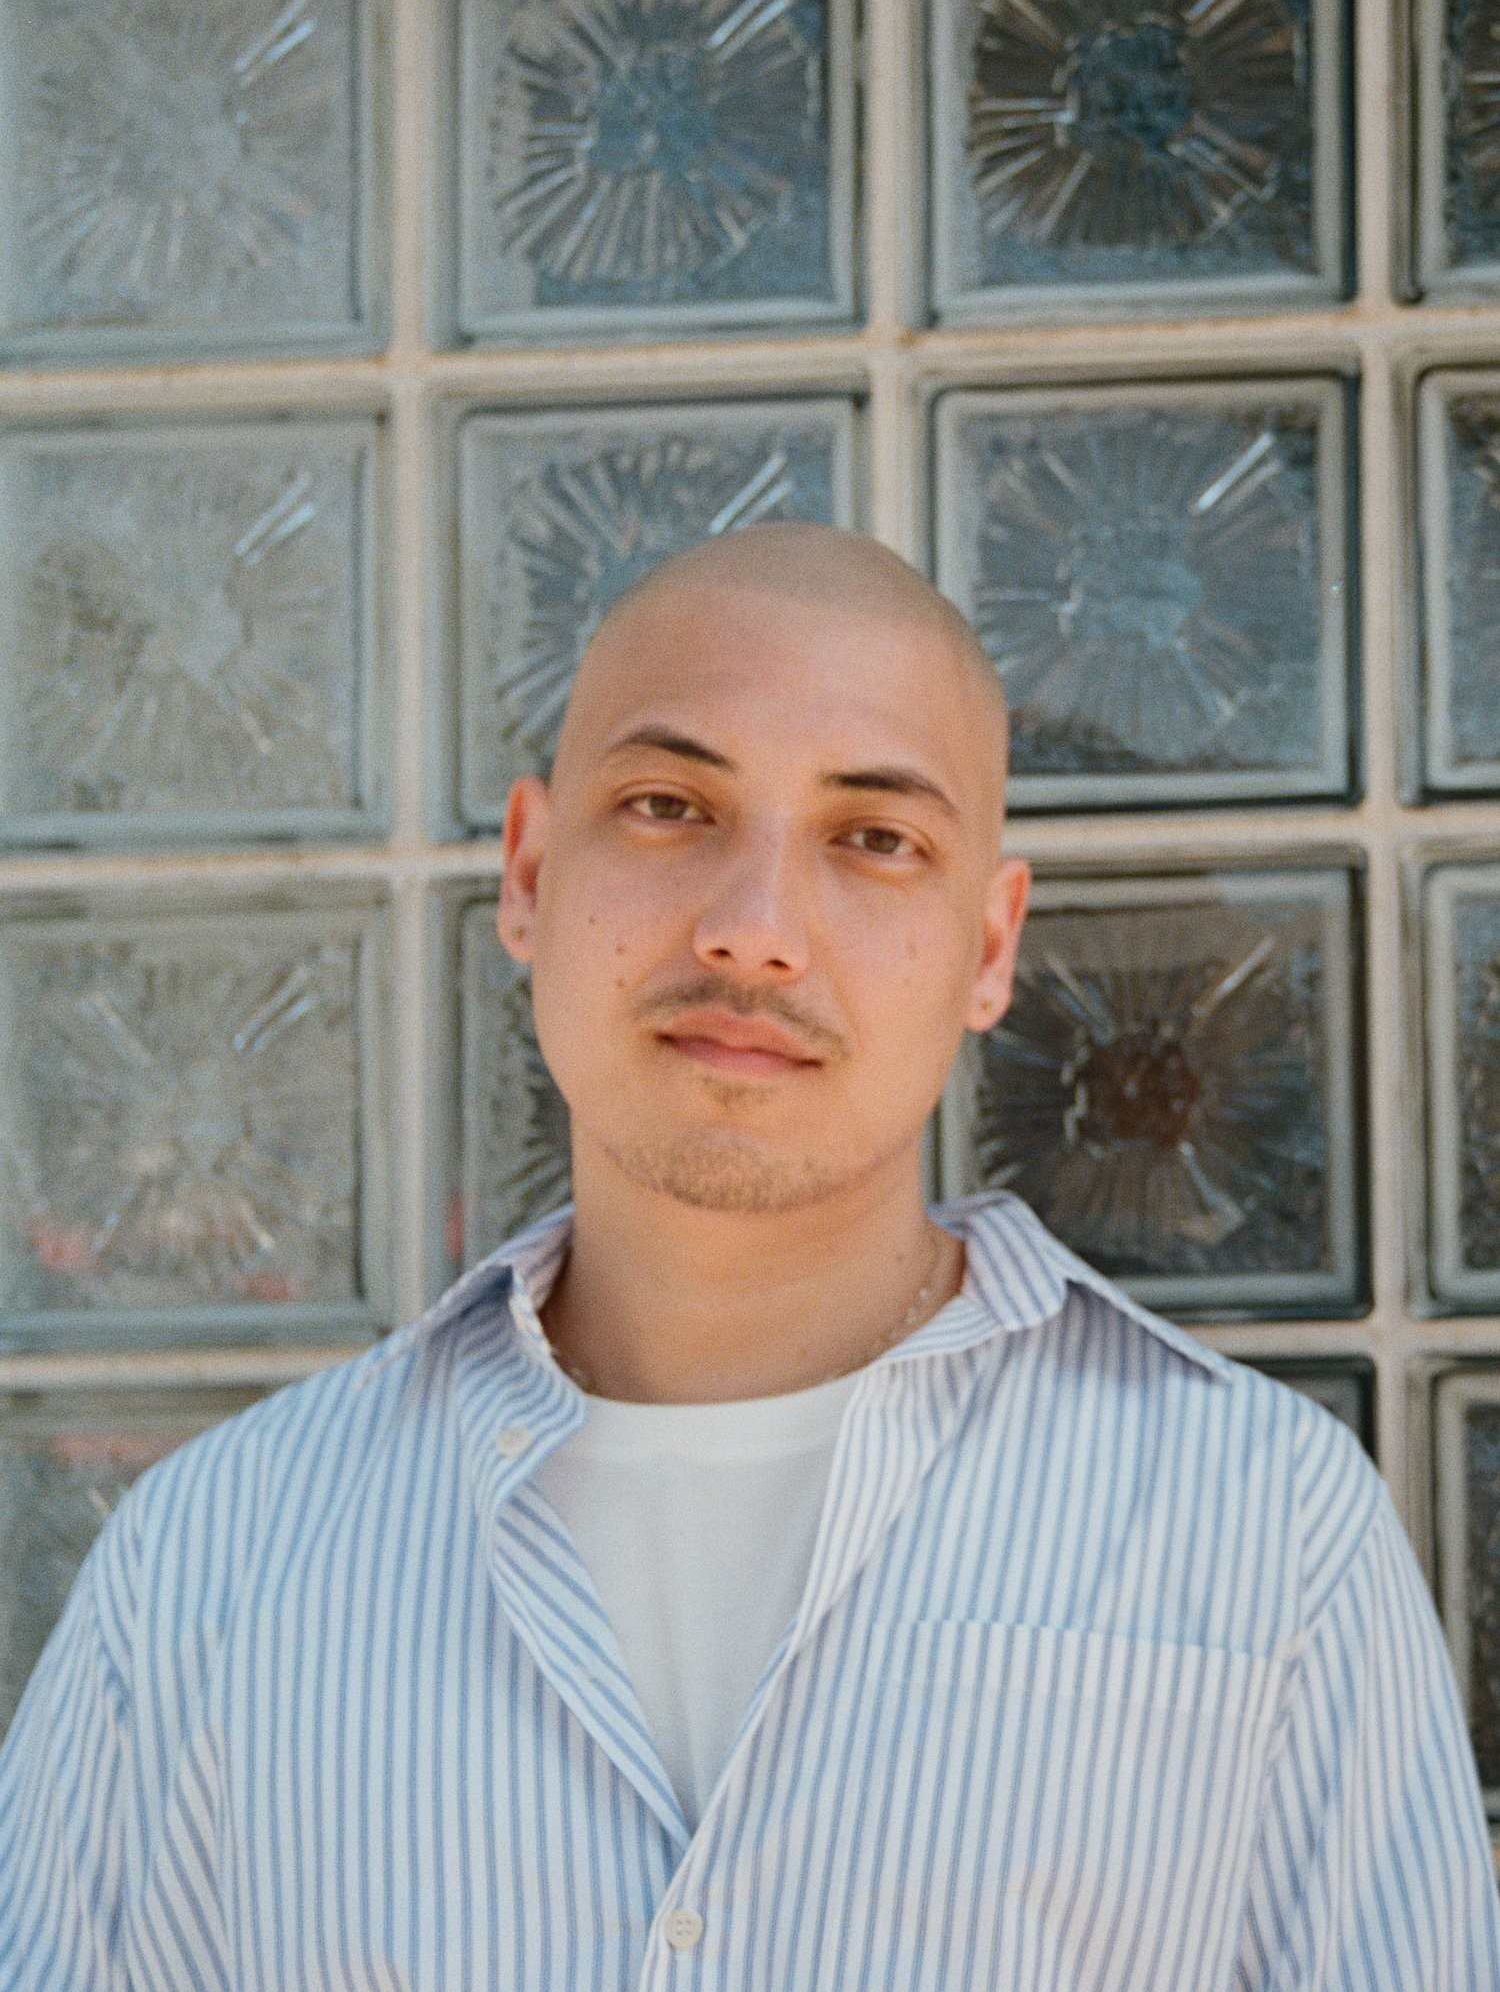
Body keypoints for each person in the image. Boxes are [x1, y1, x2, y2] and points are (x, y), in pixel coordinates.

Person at [0, 522, 1496, 1992]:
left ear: (989, 950)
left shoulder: (1263, 1532)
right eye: (668, 805)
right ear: (529, 872)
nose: (753, 930)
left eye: (873, 839)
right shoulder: (209, 1568)